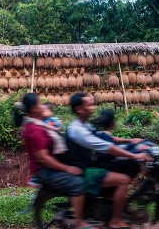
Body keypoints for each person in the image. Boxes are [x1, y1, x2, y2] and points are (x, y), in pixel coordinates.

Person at [62, 92, 152, 229]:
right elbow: (106, 147)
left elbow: (106, 138)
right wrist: (135, 155)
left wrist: (131, 142)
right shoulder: (77, 129)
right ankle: (115, 221)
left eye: (93, 104)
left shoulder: (85, 125)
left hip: (90, 165)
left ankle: (112, 208)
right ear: (79, 109)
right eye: (90, 105)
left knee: (123, 167)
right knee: (124, 180)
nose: (93, 108)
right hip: (85, 171)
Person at [13, 93, 93, 229]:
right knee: (78, 184)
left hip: (51, 167)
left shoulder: (37, 122)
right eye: (40, 103)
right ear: (33, 108)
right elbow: (44, 159)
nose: (43, 106)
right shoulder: (33, 130)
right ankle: (80, 223)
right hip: (45, 171)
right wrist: (68, 168)